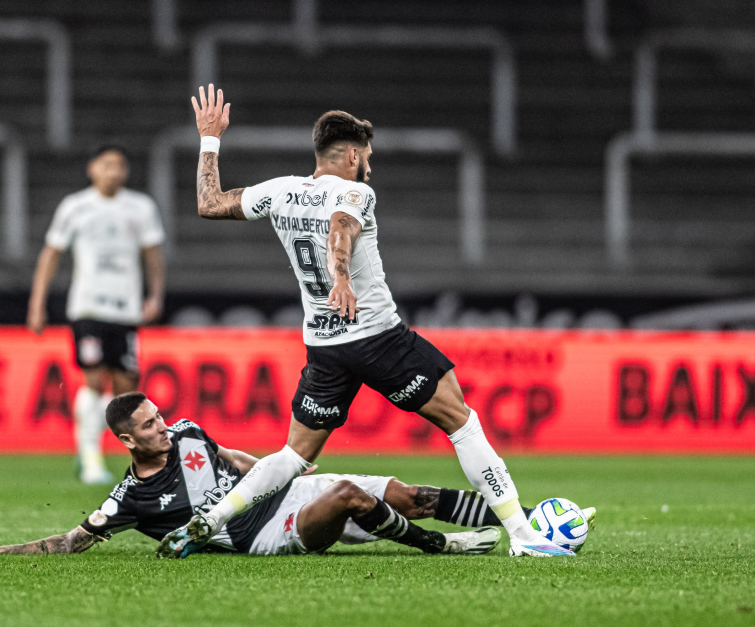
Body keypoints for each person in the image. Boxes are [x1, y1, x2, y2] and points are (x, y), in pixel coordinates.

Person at [158, 85, 575, 559]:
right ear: (352, 154)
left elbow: (210, 203)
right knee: (462, 423)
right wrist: (342, 278)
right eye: (368, 155)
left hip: (324, 347)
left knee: (295, 454)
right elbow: (341, 226)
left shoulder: (277, 191)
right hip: (377, 337)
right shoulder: (356, 191)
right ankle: (523, 536)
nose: (370, 165)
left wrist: (210, 138)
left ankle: (210, 519)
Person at [0, 392, 568, 558]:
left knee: (410, 492)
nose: (164, 426)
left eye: (160, 417)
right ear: (126, 441)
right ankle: (442, 547)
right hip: (269, 532)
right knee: (351, 498)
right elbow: (71, 540)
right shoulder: (131, 497)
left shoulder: (186, 432)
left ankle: (523, 524)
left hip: (285, 488)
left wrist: (281, 466)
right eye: (150, 426)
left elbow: (232, 459)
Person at [27, 145, 166, 484]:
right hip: (87, 308)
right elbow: (51, 254)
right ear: (93, 169)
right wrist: (37, 303)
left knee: (125, 388)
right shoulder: (76, 206)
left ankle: (103, 451)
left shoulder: (141, 206)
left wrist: (156, 294)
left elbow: (152, 255)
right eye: (107, 165)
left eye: (120, 165)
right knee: (93, 377)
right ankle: (89, 455)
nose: (114, 171)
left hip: (125, 310)